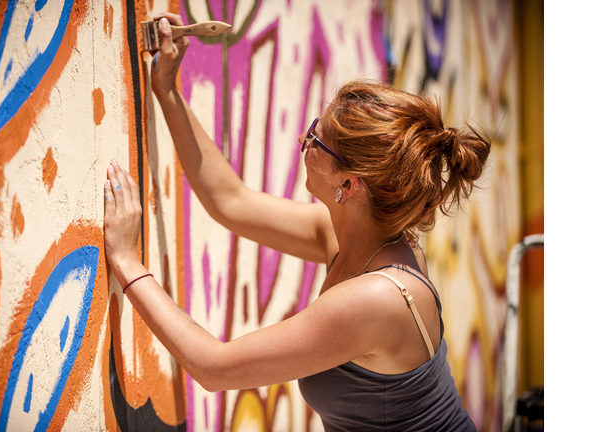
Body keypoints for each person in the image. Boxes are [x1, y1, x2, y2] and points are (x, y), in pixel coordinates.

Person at [103, 12, 490, 431]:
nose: (303, 140)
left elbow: (214, 367)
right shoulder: (356, 238)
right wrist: (166, 90)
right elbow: (231, 202)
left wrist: (127, 261)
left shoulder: (378, 297)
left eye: (316, 138)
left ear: (349, 183)